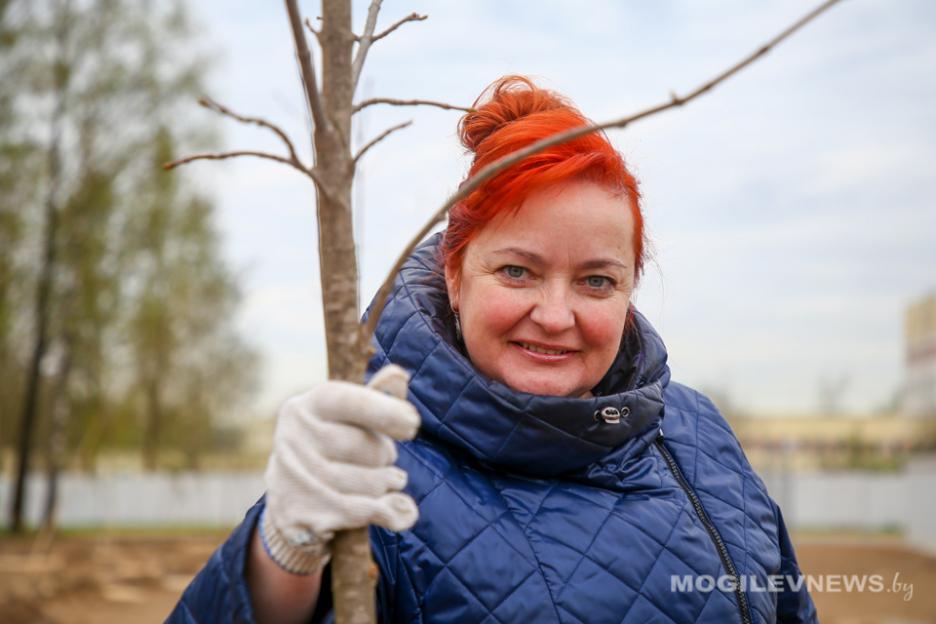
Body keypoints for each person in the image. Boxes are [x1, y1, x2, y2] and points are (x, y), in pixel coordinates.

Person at [168, 76, 818, 624]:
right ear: (455, 275)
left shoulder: (697, 433)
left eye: (596, 280)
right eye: (518, 272)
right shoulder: (377, 463)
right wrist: (284, 546)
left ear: (629, 290)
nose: (556, 315)